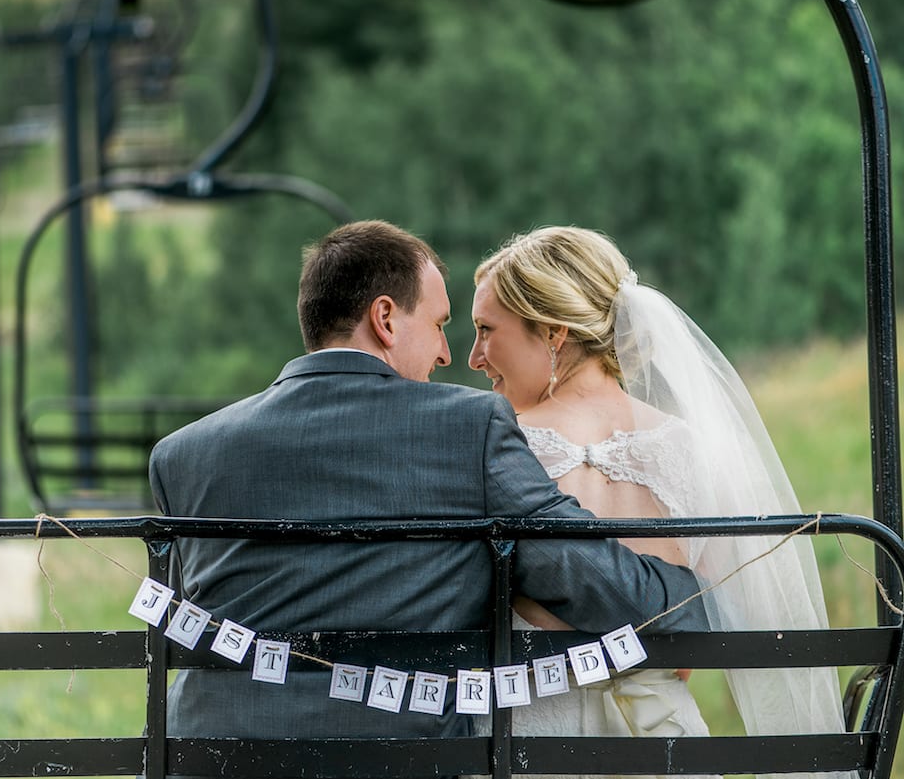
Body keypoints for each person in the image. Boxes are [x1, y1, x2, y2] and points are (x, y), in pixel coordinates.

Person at [148, 220, 707, 748]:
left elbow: (187, 626)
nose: (447, 353)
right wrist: (701, 601)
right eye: (440, 325)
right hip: (404, 756)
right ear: (385, 318)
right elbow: (578, 573)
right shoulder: (467, 428)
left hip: (209, 755)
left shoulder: (180, 455)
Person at [468, 225, 846, 775]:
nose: (475, 356)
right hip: (664, 744)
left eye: (485, 330)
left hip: (527, 738)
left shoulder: (497, 449)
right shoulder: (690, 449)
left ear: (552, 332)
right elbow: (704, 626)